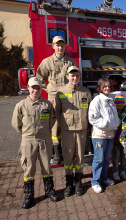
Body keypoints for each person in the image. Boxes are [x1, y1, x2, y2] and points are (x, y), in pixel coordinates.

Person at [12, 77, 58, 209]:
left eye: (38, 88)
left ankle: (49, 191)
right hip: (28, 141)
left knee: (46, 167)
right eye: (33, 87)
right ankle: (29, 195)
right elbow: (16, 124)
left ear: (40, 89)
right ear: (28, 88)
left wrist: (45, 133)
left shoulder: (47, 104)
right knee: (29, 168)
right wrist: (26, 134)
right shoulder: (21, 105)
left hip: (45, 140)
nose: (35, 90)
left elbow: (52, 120)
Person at [36, 35, 78, 165]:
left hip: (68, 97)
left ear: (65, 46)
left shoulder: (71, 62)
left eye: (62, 45)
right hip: (54, 97)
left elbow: (75, 77)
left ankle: (69, 150)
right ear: (53, 46)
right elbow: (39, 78)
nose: (60, 47)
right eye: (57, 45)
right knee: (54, 124)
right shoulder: (46, 62)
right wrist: (49, 90)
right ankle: (56, 151)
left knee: (69, 121)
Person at [54, 66, 92, 197]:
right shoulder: (61, 92)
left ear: (80, 77)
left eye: (77, 76)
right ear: (67, 76)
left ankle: (78, 183)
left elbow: (89, 113)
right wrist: (63, 125)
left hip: (82, 130)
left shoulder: (86, 92)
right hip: (67, 131)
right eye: (72, 76)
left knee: (80, 157)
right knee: (68, 157)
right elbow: (57, 113)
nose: (75, 78)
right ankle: (69, 184)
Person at [88, 78, 120, 193]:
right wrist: (107, 125)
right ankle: (95, 181)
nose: (107, 88)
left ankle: (104, 178)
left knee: (106, 159)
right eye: (105, 86)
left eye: (109, 86)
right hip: (99, 135)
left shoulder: (110, 101)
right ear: (100, 88)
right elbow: (92, 118)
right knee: (98, 159)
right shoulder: (96, 101)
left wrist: (116, 124)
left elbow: (114, 117)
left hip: (110, 135)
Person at [112, 92, 126, 181]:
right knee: (116, 156)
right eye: (118, 105)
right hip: (116, 139)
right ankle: (115, 172)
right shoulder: (113, 112)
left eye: (121, 105)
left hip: (124, 138)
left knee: (124, 156)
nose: (120, 107)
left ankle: (123, 171)